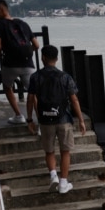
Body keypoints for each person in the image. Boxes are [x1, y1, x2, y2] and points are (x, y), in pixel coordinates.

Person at [26, 45, 86, 194]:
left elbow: (30, 99)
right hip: (63, 118)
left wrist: (29, 119)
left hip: (45, 120)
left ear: (43, 58)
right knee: (65, 151)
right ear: (57, 59)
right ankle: (63, 183)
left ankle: (53, 176)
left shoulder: (35, 77)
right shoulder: (65, 77)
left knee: (49, 151)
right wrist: (81, 120)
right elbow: (74, 100)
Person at [0, 0, 39, 124]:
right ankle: (41, 120)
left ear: (1, 9)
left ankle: (19, 116)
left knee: (7, 87)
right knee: (33, 92)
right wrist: (27, 52)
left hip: (10, 64)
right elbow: (37, 45)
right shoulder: (23, 23)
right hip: (28, 64)